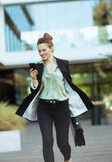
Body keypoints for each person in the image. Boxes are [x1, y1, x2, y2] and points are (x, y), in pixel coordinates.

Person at [16, 33, 94, 162]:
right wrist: (34, 79)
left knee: (62, 142)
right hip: (44, 107)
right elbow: (34, 89)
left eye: (44, 50)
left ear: (51, 48)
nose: (41, 53)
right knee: (47, 140)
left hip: (62, 107)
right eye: (39, 51)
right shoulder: (38, 67)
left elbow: (69, 84)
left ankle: (67, 158)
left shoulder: (63, 64)